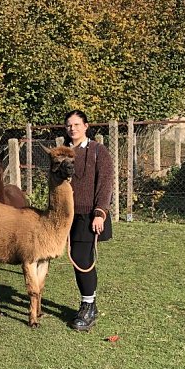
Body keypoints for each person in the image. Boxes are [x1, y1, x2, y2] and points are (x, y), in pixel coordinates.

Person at [64, 109, 114, 332]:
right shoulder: (64, 153)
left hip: (89, 215)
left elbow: (105, 183)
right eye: (68, 125)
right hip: (67, 215)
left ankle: (89, 305)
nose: (72, 128)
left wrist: (100, 212)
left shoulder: (97, 151)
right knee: (75, 257)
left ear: (86, 126)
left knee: (81, 258)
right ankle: (87, 301)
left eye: (76, 124)